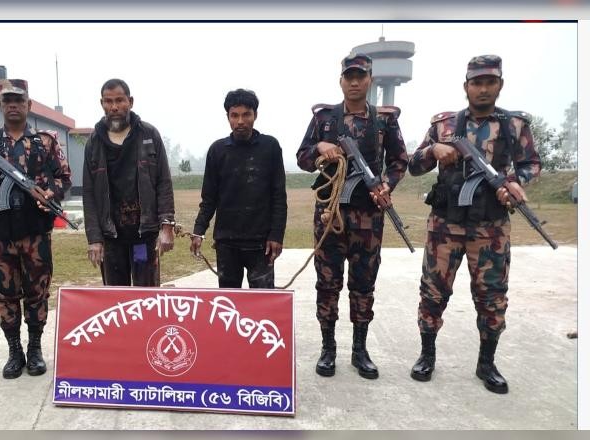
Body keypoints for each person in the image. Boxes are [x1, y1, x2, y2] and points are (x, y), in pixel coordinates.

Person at [408, 55, 541, 394]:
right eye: (476, 83)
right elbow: (414, 165)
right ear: (466, 86)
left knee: (492, 297)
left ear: (500, 85)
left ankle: (486, 363)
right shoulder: (445, 125)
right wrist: (434, 150)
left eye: (489, 82)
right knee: (432, 293)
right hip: (445, 226)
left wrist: (515, 182)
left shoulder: (514, 126)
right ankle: (427, 355)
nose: (483, 89)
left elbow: (531, 164)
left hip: (490, 228)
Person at [296, 53, 408, 379]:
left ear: (370, 80)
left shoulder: (384, 121)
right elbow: (302, 157)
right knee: (327, 283)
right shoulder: (324, 119)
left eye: (361, 76)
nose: (355, 82)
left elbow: (400, 160)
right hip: (330, 216)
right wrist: (320, 148)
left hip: (369, 217)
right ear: (341, 80)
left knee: (363, 285)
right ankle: (328, 349)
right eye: (350, 77)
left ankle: (360, 350)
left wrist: (386, 185)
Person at [0, 79, 72, 379]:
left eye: (19, 100)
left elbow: (65, 178)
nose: (13, 105)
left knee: (37, 293)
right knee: (5, 295)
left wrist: (50, 192)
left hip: (35, 233)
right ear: (0, 105)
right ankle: (14, 350)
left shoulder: (46, 141)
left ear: (29, 105)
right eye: (7, 101)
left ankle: (35, 348)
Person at [190, 89, 287, 288]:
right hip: (226, 242)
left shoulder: (270, 147)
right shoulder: (217, 150)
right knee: (228, 301)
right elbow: (209, 198)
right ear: (228, 117)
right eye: (234, 115)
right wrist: (199, 231)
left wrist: (276, 235)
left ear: (255, 115)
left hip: (261, 243)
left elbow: (278, 196)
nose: (240, 121)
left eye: (246, 115)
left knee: (262, 301)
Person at [82, 78, 175, 286]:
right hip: (111, 237)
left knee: (146, 294)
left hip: (143, 235)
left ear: (130, 102)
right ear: (102, 103)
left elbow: (163, 182)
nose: (114, 107)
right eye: (108, 101)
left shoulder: (149, 135)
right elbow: (89, 193)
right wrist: (94, 238)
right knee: (116, 297)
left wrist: (167, 225)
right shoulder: (94, 142)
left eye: (119, 100)